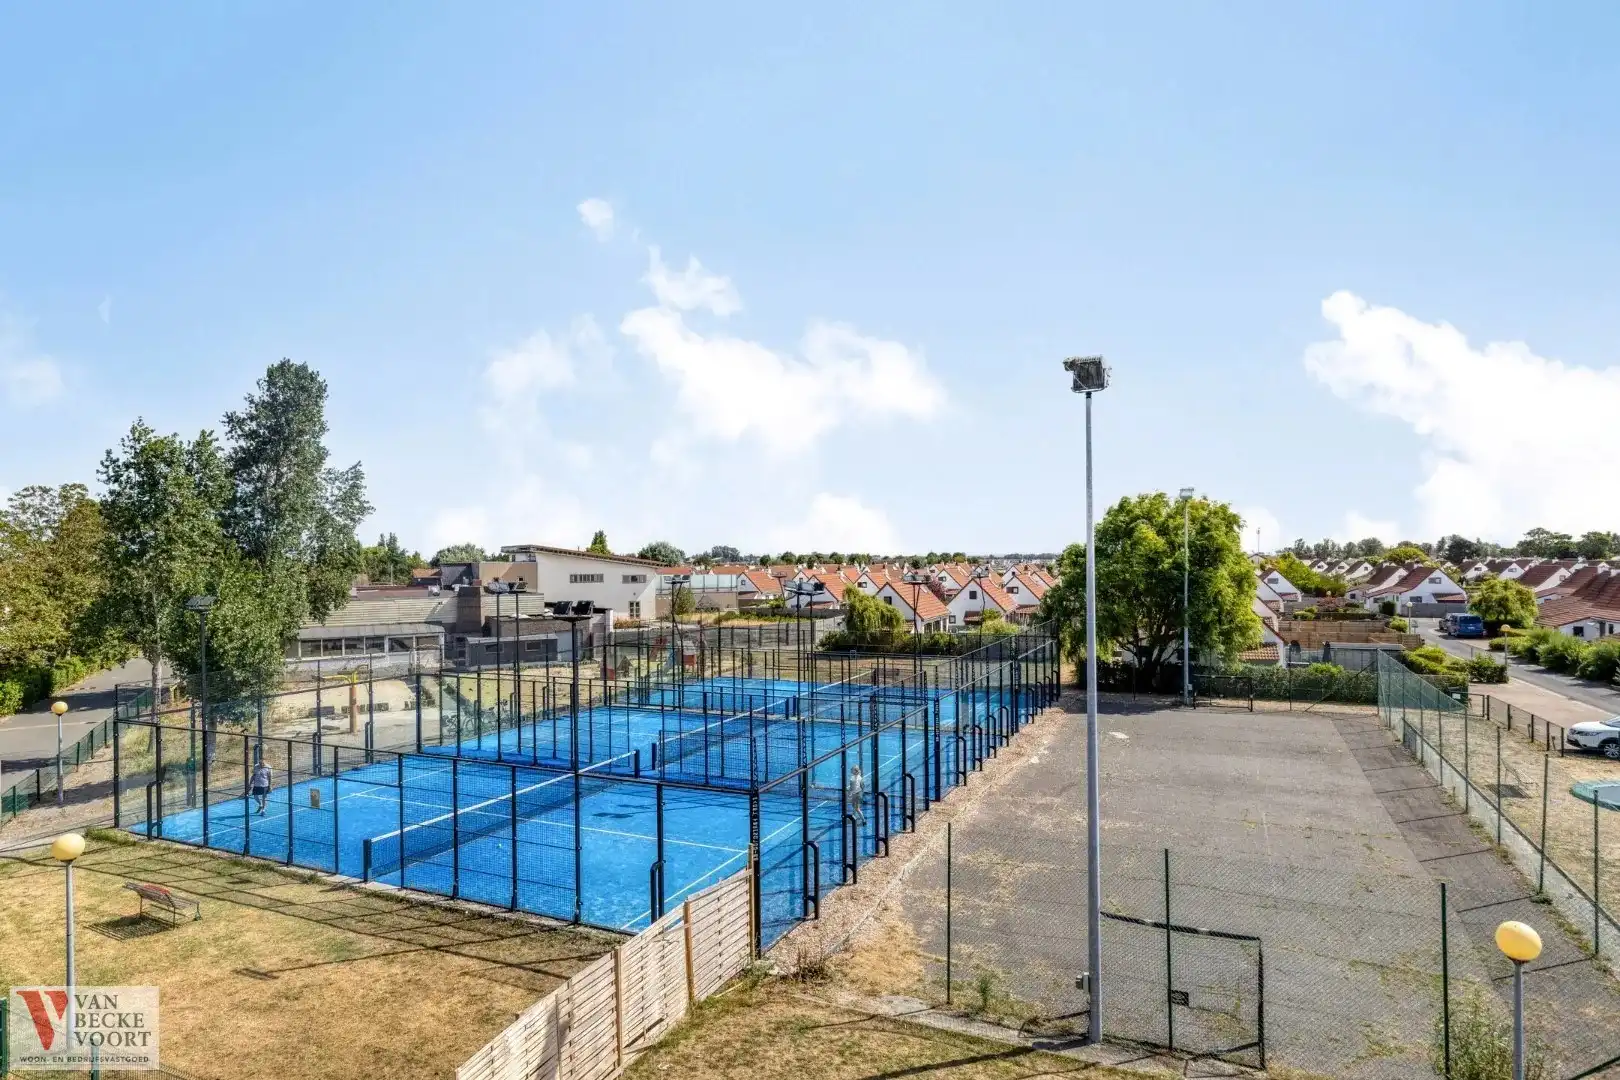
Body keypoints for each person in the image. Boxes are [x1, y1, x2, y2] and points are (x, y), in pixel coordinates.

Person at [845, 762, 866, 827]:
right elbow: (862, 786)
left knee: (857, 808)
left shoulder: (852, 778)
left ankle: (863, 820)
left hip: (855, 794)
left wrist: (849, 793)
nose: (851, 770)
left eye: (852, 769)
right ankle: (853, 818)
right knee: (855, 807)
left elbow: (851, 787)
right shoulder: (860, 777)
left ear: (854, 771)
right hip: (859, 793)